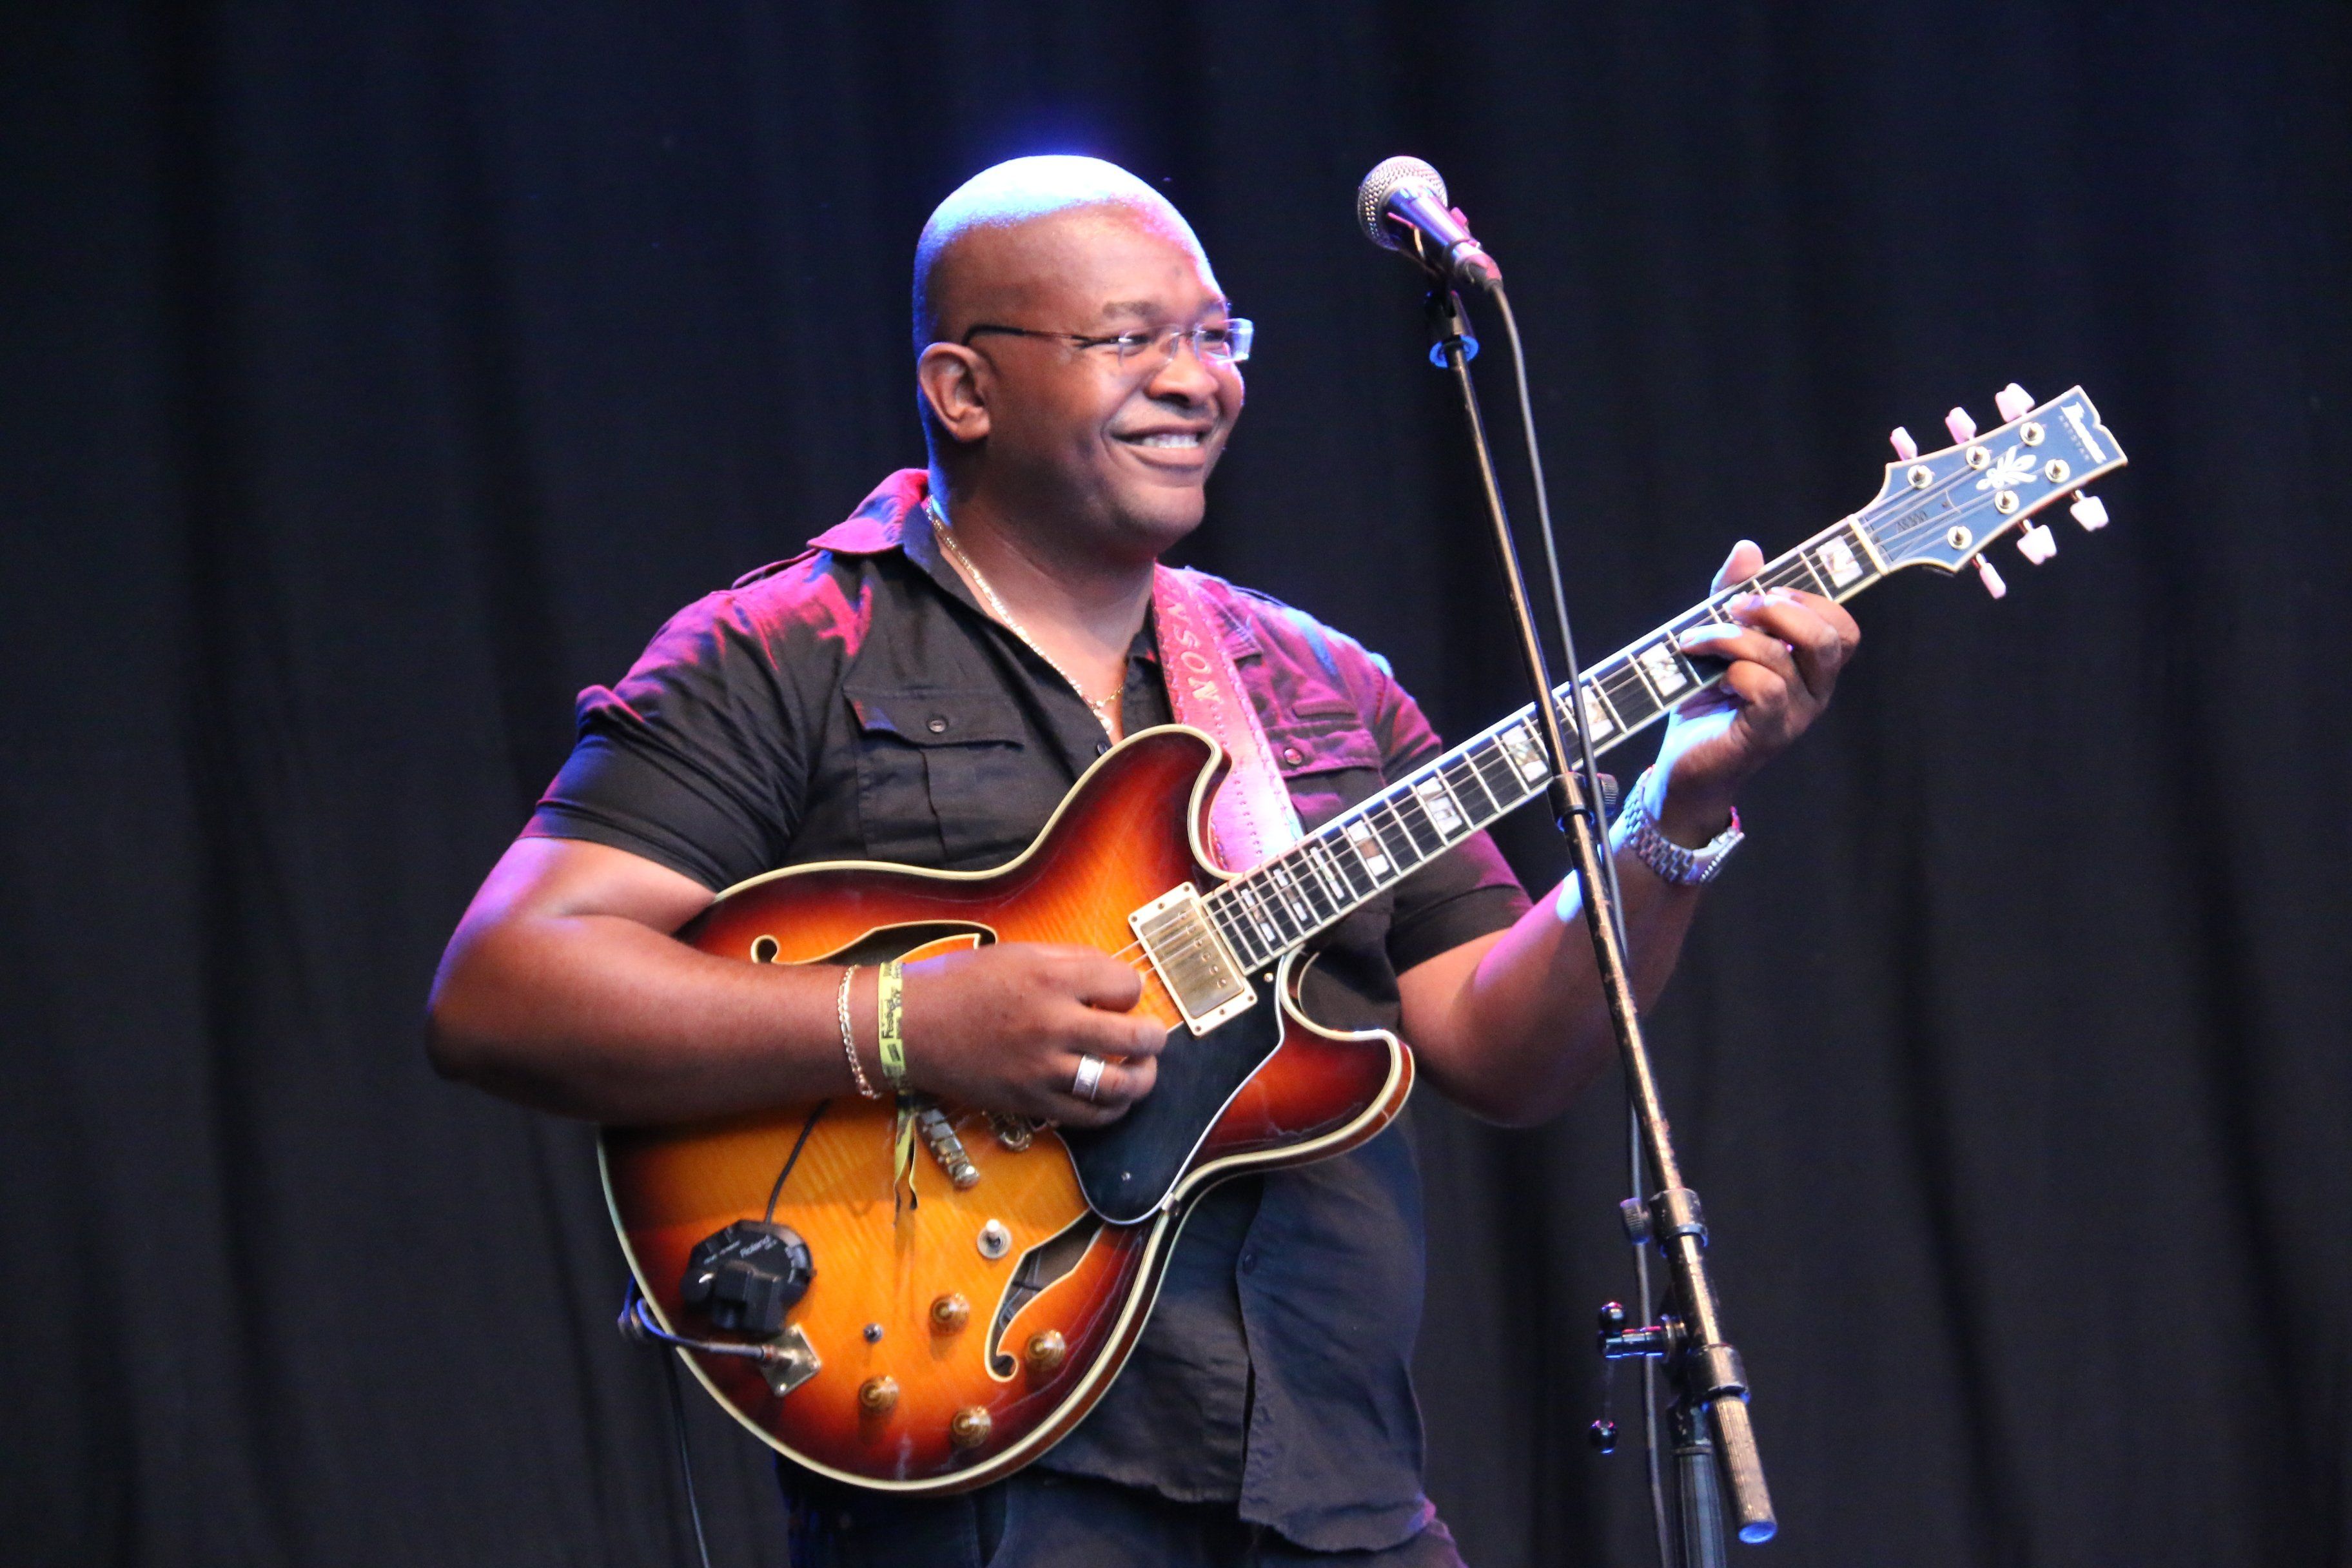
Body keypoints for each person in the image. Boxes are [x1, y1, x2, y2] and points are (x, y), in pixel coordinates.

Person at [427, 156, 1859, 1566]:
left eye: (1216, 337)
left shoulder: (1317, 682)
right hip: (988, 1480)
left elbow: (1505, 1048)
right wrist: (907, 1022)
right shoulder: (790, 649)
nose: (1197, 380)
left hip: (1335, 1482)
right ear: (964, 389)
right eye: (1131, 341)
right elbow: (506, 985)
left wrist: (1670, 810)